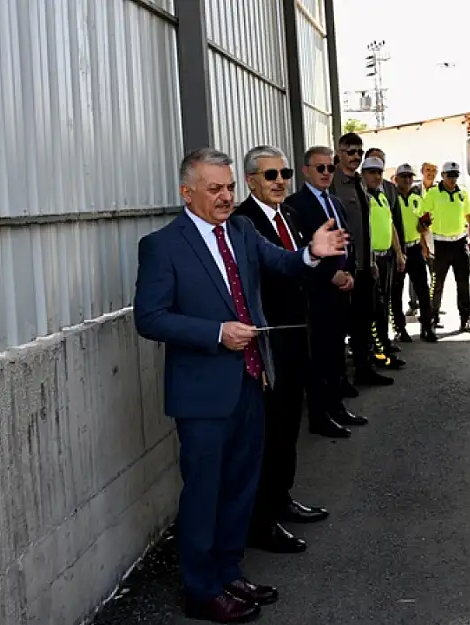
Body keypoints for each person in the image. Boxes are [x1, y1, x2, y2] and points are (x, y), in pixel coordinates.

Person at [132, 147, 346, 622]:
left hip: (252, 381)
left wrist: (311, 253)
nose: (226, 196)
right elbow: (149, 318)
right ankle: (201, 589)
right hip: (203, 395)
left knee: (239, 487)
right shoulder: (162, 245)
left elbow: (284, 266)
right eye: (215, 189)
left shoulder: (244, 232)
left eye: (229, 187)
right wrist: (214, 333)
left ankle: (228, 571)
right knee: (205, 491)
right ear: (187, 193)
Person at [233, 145, 329, 555]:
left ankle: (283, 498)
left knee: (289, 425)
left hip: (297, 333)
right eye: (270, 176)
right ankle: (263, 520)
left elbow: (300, 265)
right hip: (268, 340)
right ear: (252, 180)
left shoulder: (288, 214)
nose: (280, 183)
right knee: (269, 434)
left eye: (284, 174)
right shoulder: (243, 222)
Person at [287, 146, 369, 439]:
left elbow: (347, 241)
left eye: (329, 168)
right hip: (316, 294)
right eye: (319, 168)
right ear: (306, 170)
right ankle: (320, 417)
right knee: (319, 357)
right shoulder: (294, 205)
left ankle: (336, 407)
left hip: (341, 290)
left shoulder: (335, 202)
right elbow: (297, 251)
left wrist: (350, 271)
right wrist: (330, 275)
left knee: (336, 353)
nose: (325, 173)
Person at [330, 132, 393, 387]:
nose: (355, 157)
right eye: (350, 151)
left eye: (359, 152)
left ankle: (365, 369)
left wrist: (371, 263)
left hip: (365, 265)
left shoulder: (360, 182)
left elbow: (365, 226)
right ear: (340, 152)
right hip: (344, 267)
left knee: (364, 322)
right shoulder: (333, 182)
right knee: (340, 326)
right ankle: (340, 380)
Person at [422, 161, 470, 334]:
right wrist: (425, 244)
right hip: (440, 243)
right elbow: (423, 219)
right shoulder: (433, 194)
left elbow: (468, 217)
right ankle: (432, 318)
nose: (453, 179)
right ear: (443, 176)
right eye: (449, 175)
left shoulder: (463, 193)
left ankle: (466, 318)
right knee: (437, 284)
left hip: (459, 242)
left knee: (463, 283)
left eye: (455, 175)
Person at [362, 156, 409, 358]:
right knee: (372, 307)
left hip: (386, 258)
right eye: (371, 172)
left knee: (384, 304)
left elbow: (390, 226)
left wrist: (399, 253)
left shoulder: (382, 196)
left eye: (379, 172)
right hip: (371, 260)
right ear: (363, 174)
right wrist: (370, 259)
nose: (376, 176)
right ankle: (376, 350)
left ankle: (384, 344)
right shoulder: (363, 198)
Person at [392, 163, 438, 342]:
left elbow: (421, 227)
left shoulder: (417, 199)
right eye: (403, 177)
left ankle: (427, 326)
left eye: (410, 177)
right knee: (396, 292)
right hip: (397, 249)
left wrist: (425, 225)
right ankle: (400, 328)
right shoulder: (392, 198)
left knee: (423, 290)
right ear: (396, 179)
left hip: (414, 248)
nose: (407, 180)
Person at [409, 161, 441, 322]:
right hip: (418, 236)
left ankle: (433, 307)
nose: (430, 173)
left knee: (435, 274)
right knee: (417, 274)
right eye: (428, 170)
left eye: (434, 171)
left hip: (435, 237)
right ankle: (414, 304)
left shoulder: (439, 190)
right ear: (422, 171)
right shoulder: (414, 191)